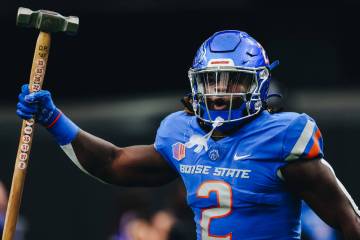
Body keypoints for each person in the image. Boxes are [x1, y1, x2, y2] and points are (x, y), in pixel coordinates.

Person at [16, 30, 360, 239]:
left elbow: (350, 221)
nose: (220, 93)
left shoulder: (283, 137)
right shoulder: (180, 132)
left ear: (259, 83)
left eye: (234, 81)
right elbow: (112, 163)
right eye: (211, 82)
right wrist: (53, 119)